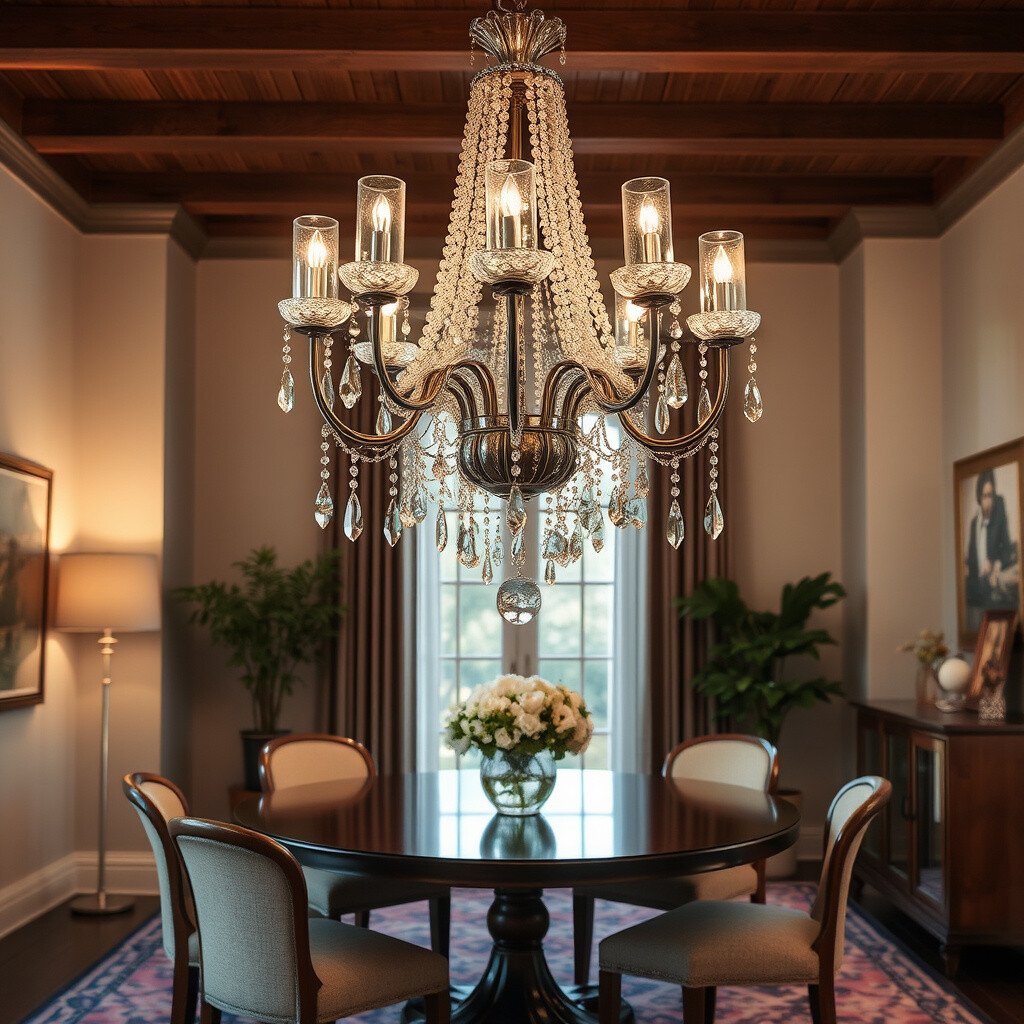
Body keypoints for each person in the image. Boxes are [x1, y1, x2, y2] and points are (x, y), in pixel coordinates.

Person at [965, 469, 1019, 632]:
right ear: (978, 497)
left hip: (996, 576)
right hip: (979, 583)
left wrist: (996, 563)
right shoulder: (974, 524)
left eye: (990, 495)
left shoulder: (999, 507)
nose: (988, 502)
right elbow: (972, 562)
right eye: (984, 496)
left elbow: (1007, 545)